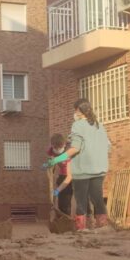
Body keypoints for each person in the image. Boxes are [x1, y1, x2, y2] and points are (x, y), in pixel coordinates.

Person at [44, 98, 110, 231]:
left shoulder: (78, 125)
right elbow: (108, 146)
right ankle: (102, 228)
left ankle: (81, 228)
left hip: (83, 169)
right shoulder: (99, 125)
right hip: (100, 168)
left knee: (81, 201)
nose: (74, 113)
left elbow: (75, 148)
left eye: (75, 110)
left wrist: (55, 160)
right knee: (97, 198)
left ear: (79, 111)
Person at [46, 133, 73, 216]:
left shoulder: (69, 154)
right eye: (55, 148)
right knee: (61, 203)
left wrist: (58, 190)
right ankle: (60, 218)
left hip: (75, 175)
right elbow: (51, 163)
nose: (57, 150)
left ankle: (67, 219)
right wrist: (49, 165)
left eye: (59, 148)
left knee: (66, 203)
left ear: (64, 145)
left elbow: (69, 177)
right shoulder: (51, 150)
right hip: (62, 174)